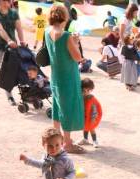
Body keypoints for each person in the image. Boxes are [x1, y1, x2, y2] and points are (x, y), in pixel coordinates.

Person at [44, 4, 85, 153]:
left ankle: (57, 139)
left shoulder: (47, 31)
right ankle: (67, 143)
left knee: (57, 108)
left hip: (55, 75)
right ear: (65, 16)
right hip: (68, 76)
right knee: (67, 109)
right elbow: (77, 57)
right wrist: (76, 42)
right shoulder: (66, 35)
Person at [0, 0, 26, 106]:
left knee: (18, 68)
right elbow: (0, 29)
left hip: (13, 46)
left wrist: (22, 40)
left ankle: (25, 94)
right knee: (5, 70)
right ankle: (9, 96)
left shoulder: (14, 13)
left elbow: (19, 28)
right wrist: (8, 40)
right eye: (7, 0)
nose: (9, 1)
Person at [79, 78, 101, 148]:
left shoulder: (91, 98)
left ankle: (95, 141)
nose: (86, 92)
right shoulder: (81, 97)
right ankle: (85, 139)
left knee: (91, 128)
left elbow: (94, 109)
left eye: (88, 90)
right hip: (85, 116)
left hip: (91, 117)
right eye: (84, 90)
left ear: (91, 90)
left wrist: (93, 118)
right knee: (85, 127)